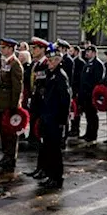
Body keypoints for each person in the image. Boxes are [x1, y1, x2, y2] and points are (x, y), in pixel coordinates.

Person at [37, 45, 72, 190]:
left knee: (55, 151)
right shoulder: (50, 74)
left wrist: (62, 121)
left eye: (52, 61)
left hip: (55, 119)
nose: (49, 63)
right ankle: (50, 175)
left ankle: (56, 178)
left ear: (58, 61)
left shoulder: (60, 76)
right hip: (47, 117)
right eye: (49, 61)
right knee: (48, 148)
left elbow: (65, 100)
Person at [0, 38, 24, 171]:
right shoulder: (5, 62)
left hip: (9, 103)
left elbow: (17, 88)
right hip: (1, 102)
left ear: (11, 49)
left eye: (5, 47)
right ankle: (6, 155)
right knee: (3, 131)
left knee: (10, 133)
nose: (2, 50)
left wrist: (14, 106)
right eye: (1, 47)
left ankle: (11, 157)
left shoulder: (15, 64)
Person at [75, 43, 104, 144]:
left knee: (92, 115)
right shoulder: (87, 63)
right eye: (86, 51)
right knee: (88, 115)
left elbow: (97, 80)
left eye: (89, 52)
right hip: (85, 94)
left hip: (91, 94)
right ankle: (88, 133)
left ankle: (93, 134)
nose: (87, 53)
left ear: (94, 53)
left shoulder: (98, 64)